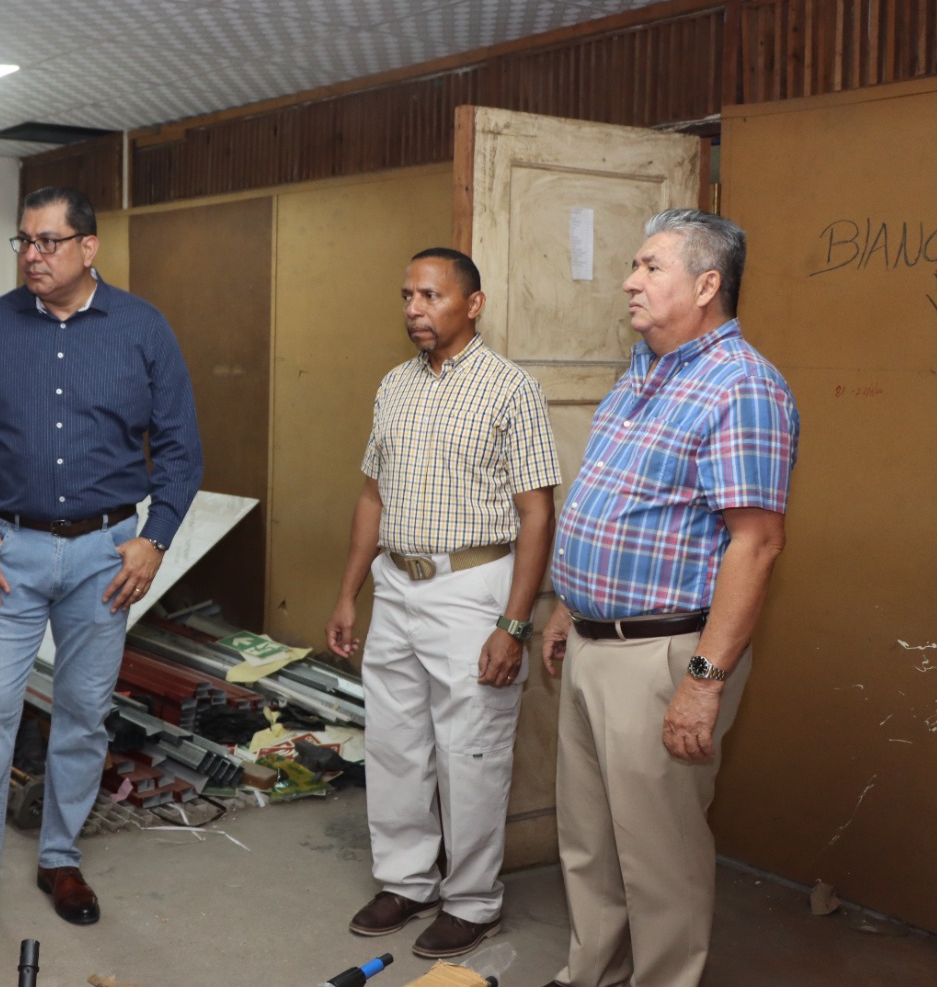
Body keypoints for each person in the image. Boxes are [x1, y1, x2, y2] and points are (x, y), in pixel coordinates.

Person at [0, 186, 203, 948]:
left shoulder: (143, 329)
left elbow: (180, 447)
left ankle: (60, 858)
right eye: (24, 241)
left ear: (89, 247)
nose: (32, 255)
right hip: (7, 554)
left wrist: (156, 538)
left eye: (48, 241)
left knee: (83, 712)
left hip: (104, 556)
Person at [540, 210, 798, 987]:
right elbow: (612, 505)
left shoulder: (742, 387)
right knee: (589, 840)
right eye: (635, 265)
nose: (631, 282)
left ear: (707, 284)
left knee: (659, 855)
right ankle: (592, 973)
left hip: (662, 654)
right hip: (594, 640)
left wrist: (704, 681)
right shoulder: (642, 372)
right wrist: (567, 604)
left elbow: (756, 544)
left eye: (651, 267)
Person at [327, 248, 561, 959]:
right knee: (394, 743)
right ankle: (407, 881)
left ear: (473, 304)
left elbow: (538, 514)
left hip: (472, 586)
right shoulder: (394, 384)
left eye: (430, 295)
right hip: (397, 584)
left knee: (471, 753)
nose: (414, 309)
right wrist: (349, 593)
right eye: (407, 295)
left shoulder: (509, 388)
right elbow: (373, 497)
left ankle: (472, 901)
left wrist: (514, 624)